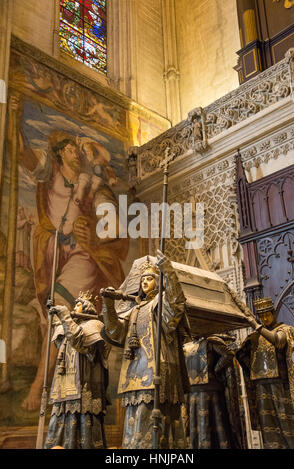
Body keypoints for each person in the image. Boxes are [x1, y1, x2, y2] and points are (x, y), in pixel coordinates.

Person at [18, 129, 128, 411]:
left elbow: (114, 226)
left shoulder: (93, 185)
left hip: (85, 256)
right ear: (59, 154)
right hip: (53, 255)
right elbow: (23, 155)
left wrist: (94, 233)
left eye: (78, 150)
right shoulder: (51, 178)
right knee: (51, 318)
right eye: (69, 149)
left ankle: (39, 386)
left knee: (58, 311)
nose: (76, 154)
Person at [100, 250, 190, 449]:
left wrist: (169, 272)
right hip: (135, 374)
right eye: (142, 280)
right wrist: (108, 304)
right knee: (135, 424)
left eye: (150, 278)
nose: (145, 282)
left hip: (158, 370)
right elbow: (115, 332)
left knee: (156, 425)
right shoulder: (134, 309)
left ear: (158, 281)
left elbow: (175, 308)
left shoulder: (161, 302)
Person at [44, 291, 110, 449]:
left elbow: (80, 341)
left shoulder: (95, 325)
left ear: (88, 307)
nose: (75, 307)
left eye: (79, 304)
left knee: (84, 422)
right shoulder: (71, 324)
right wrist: (53, 313)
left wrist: (65, 316)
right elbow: (60, 339)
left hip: (85, 384)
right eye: (76, 304)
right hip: (66, 383)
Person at [236, 297, 294, 449]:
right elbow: (242, 356)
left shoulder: (286, 330)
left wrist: (256, 326)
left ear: (273, 313)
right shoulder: (254, 337)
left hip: (281, 385)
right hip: (261, 385)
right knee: (268, 426)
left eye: (267, 314)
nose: (265, 318)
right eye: (261, 315)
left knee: (287, 425)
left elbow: (278, 341)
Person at [183, 334, 244, 449]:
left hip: (210, 390)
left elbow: (228, 354)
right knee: (195, 426)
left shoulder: (212, 341)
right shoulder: (186, 346)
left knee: (215, 424)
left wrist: (216, 369)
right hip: (193, 391)